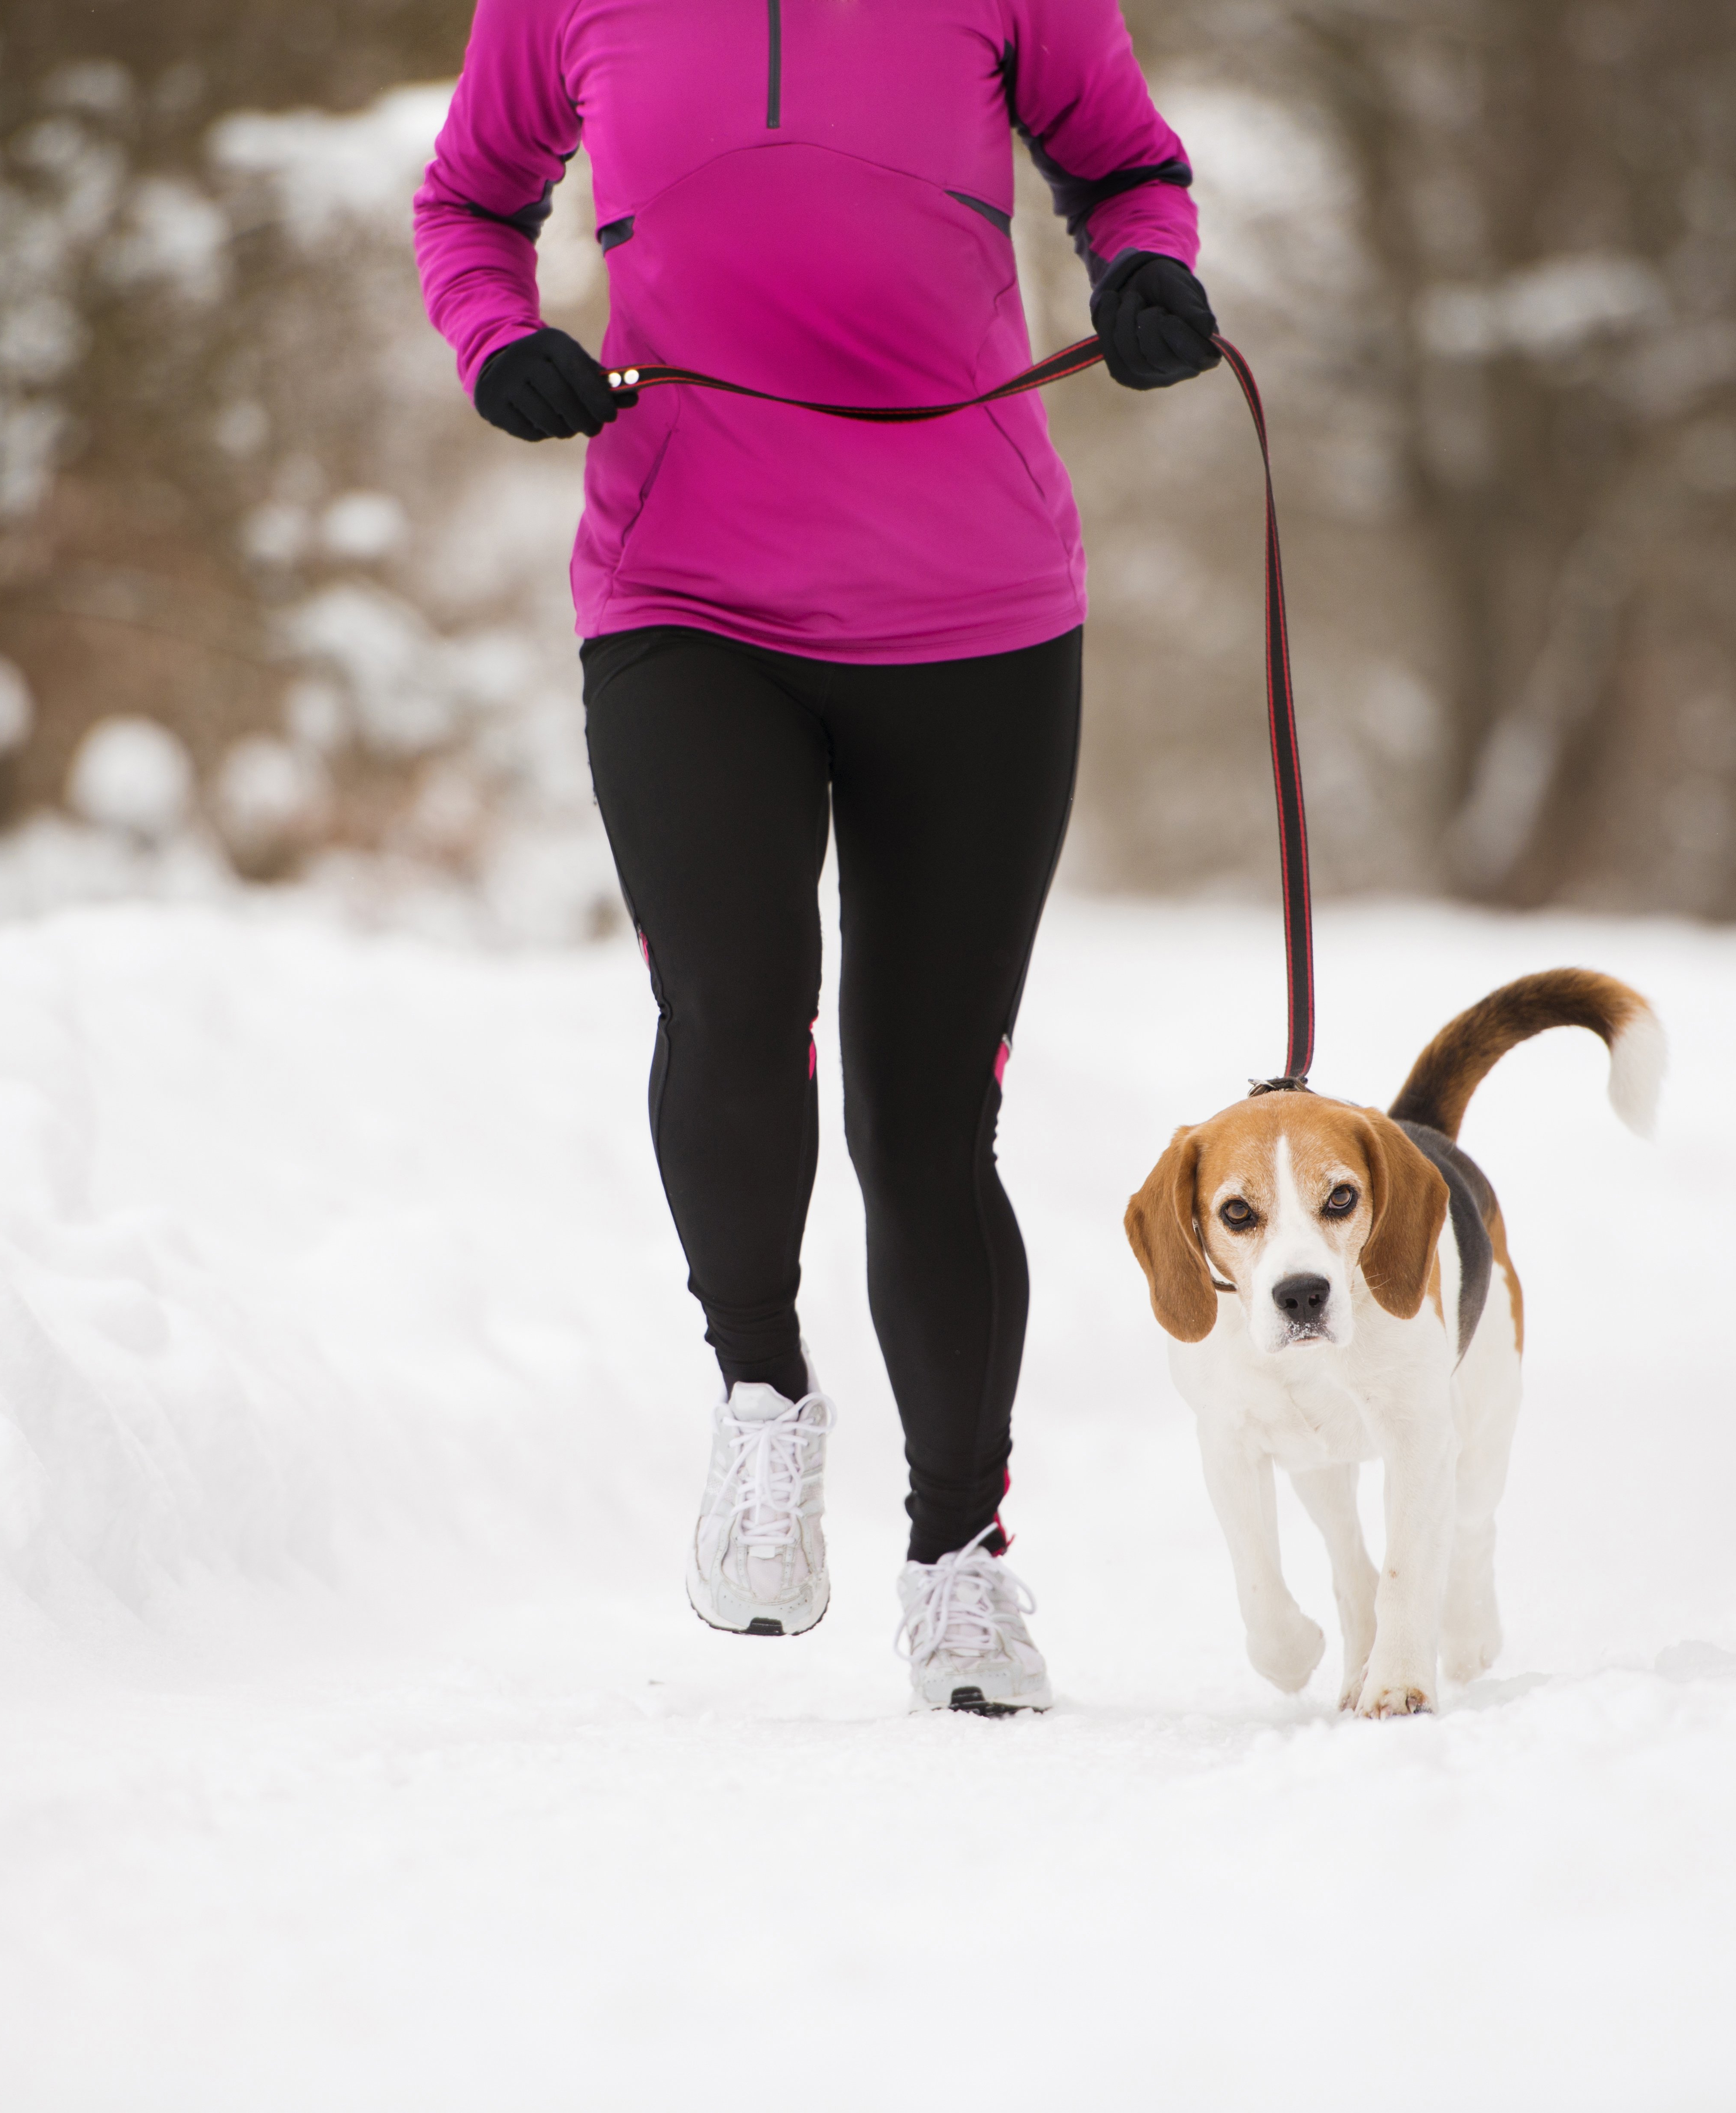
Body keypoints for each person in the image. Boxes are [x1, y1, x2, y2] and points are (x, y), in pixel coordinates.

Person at [413, 0, 1220, 1713]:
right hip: (686, 592)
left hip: (977, 611)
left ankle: (959, 1562)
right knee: (729, 1000)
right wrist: (498, 339)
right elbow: (470, 204)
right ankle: (763, 1403)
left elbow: (1126, 167)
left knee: (927, 1110)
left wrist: (1149, 281)